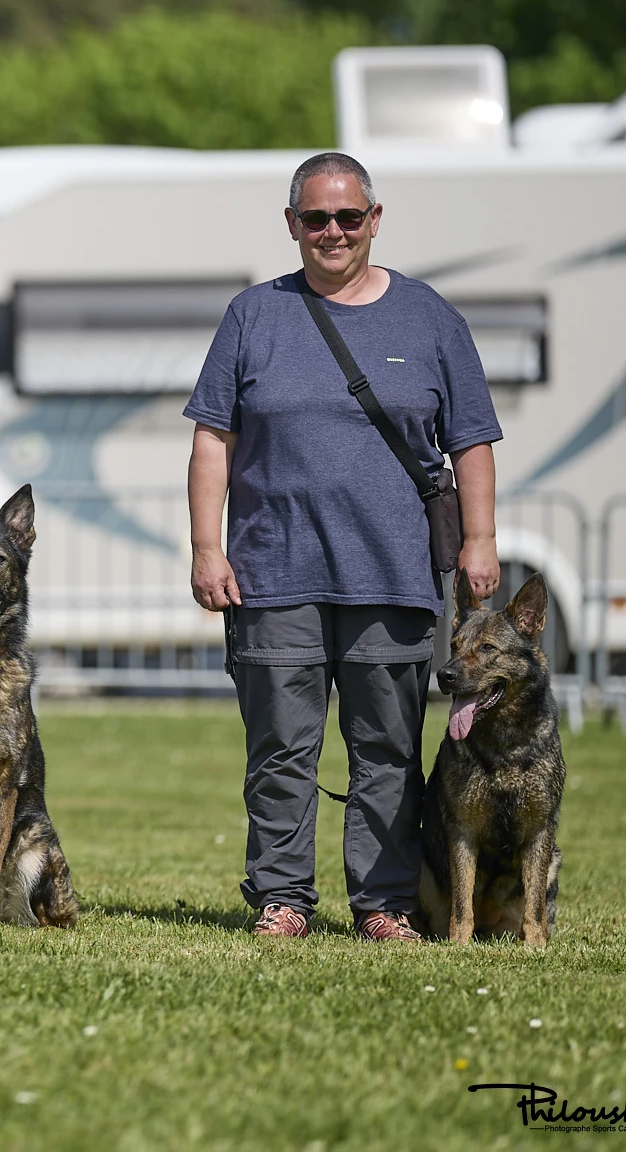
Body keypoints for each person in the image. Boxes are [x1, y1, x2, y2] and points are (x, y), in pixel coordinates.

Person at [184, 151, 502, 942]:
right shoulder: (253, 315)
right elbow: (212, 440)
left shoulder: (430, 318)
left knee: (388, 751)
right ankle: (282, 899)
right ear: (291, 224)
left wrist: (480, 538)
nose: (333, 231)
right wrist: (205, 546)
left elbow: (472, 442)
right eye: (316, 218)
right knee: (281, 751)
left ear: (375, 219)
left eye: (348, 217)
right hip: (272, 573)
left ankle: (384, 904)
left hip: (393, 574)